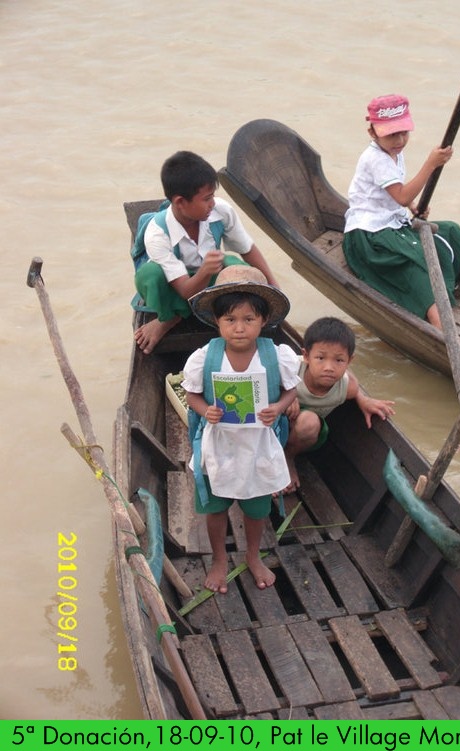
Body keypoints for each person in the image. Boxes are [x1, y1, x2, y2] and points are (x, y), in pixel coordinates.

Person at [343, 94, 460, 329]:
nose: (400, 140)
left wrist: (413, 206)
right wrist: (430, 165)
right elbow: (401, 195)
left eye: (404, 133)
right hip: (369, 236)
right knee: (418, 260)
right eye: (392, 135)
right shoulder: (375, 159)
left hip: (392, 224)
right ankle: (441, 327)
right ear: (372, 133)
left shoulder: (393, 152)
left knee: (450, 230)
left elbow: (395, 194)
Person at [182, 265, 300, 594]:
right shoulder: (205, 358)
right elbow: (192, 395)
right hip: (218, 444)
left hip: (258, 444)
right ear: (217, 321)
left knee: (256, 508)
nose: (239, 328)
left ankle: (252, 555)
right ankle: (220, 559)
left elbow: (291, 390)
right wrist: (206, 411)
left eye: (249, 319)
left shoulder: (275, 356)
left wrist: (279, 407)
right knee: (216, 506)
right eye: (230, 319)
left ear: (264, 320)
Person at [133, 150, 279, 354]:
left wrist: (274, 288)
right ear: (180, 202)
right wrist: (204, 271)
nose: (212, 204)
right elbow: (185, 290)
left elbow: (247, 250)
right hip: (176, 287)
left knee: (238, 267)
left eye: (213, 197)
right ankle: (169, 318)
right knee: (149, 275)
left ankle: (224, 315)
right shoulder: (157, 234)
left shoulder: (220, 211)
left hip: (210, 277)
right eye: (206, 199)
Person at [283, 316, 395, 494]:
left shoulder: (347, 386)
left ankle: (287, 458)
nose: (329, 367)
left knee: (309, 422)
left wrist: (363, 400)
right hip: (276, 424)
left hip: (304, 434)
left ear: (349, 361)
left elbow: (355, 388)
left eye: (339, 360)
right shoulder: (290, 368)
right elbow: (264, 378)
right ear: (306, 356)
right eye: (320, 358)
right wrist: (286, 393)